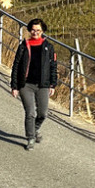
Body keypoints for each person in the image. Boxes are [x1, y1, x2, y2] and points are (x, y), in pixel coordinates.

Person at [10, 18, 57, 150]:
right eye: (33, 30)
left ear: (42, 31)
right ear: (29, 30)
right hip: (26, 85)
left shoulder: (48, 47)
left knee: (43, 113)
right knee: (30, 112)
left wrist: (53, 84)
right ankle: (30, 137)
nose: (35, 32)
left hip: (43, 85)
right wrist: (14, 86)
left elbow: (53, 67)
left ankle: (35, 129)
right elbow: (16, 66)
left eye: (38, 30)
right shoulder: (24, 46)